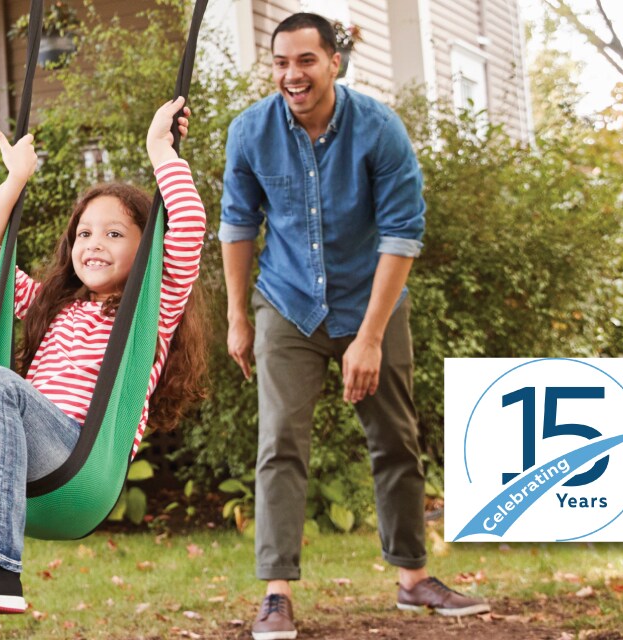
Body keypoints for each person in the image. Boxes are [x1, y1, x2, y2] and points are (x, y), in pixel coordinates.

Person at [0, 97, 208, 615]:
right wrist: (15, 179)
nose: (94, 244)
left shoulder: (151, 310)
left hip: (80, 463)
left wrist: (161, 150)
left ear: (147, 250)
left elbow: (187, 229)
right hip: (9, 452)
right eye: (85, 234)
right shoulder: (52, 306)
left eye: (115, 234)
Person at [219, 13, 489, 640]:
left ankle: (413, 579)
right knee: (280, 441)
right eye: (281, 62)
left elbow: (402, 234)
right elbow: (238, 225)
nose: (292, 74)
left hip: (373, 301)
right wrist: (237, 316)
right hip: (287, 305)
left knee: (395, 438)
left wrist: (369, 336)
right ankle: (277, 593)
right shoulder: (250, 133)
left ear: (334, 61)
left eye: (306, 61)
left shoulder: (378, 129)